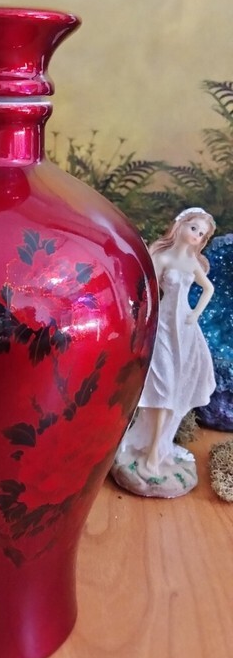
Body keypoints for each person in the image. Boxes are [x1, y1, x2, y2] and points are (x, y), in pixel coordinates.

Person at [111, 207, 216, 497]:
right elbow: (147, 290)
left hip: (184, 330)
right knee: (164, 387)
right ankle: (151, 451)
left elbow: (208, 289)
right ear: (180, 225)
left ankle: (158, 449)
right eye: (194, 228)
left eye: (202, 234)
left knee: (176, 388)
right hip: (163, 328)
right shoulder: (163, 257)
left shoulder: (192, 262)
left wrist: (195, 314)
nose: (196, 236)